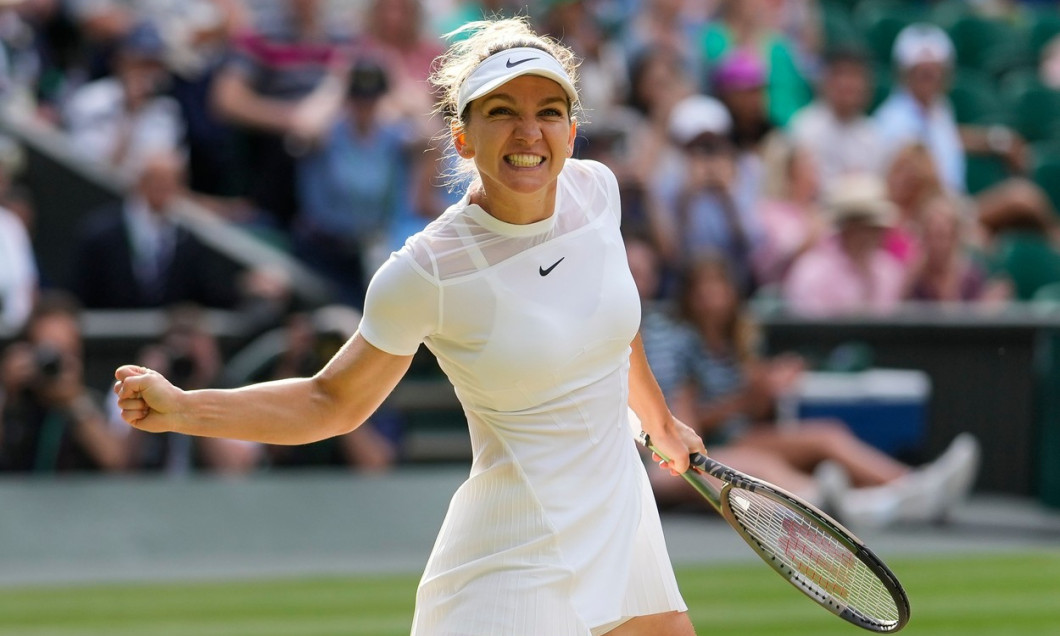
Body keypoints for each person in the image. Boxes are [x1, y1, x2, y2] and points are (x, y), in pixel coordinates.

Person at [112, 17, 704, 636]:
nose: (529, 131)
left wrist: (659, 424)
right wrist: (183, 409)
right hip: (509, 561)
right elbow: (328, 402)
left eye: (549, 111)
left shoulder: (599, 194)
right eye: (502, 111)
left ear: (572, 129)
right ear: (463, 139)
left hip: (619, 520)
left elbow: (612, 330)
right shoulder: (428, 269)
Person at [645, 254, 981, 527]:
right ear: (688, 295)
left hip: (741, 436)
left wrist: (766, 388)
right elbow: (690, 429)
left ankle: (913, 487)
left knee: (827, 435)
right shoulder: (679, 343)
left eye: (718, 285)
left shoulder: (737, 342)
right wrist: (746, 399)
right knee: (766, 461)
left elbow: (752, 410)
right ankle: (848, 507)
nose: (712, 296)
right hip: (709, 450)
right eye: (703, 287)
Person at [1, 291, 128, 473]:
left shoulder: (90, 403)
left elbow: (118, 462)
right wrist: (7, 392)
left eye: (65, 351)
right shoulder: (14, 401)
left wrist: (74, 401)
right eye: (47, 350)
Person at [782, 172, 906, 317]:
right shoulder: (812, 271)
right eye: (857, 226)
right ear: (844, 228)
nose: (865, 235)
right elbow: (807, 328)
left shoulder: (890, 271)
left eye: (871, 228)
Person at [787, 44, 887, 185]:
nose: (848, 83)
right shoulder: (804, 127)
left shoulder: (873, 134)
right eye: (841, 74)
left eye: (856, 75)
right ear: (825, 80)